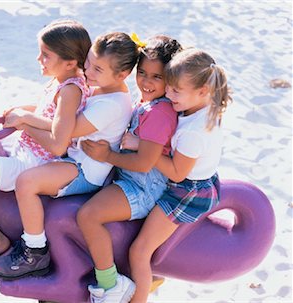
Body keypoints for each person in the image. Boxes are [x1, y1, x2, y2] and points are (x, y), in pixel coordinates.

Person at [0, 19, 91, 281]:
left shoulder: (70, 91)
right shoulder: (62, 81)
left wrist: (24, 122)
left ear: (70, 62)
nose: (39, 59)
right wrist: (20, 111)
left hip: (32, 164)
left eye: (46, 55)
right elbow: (50, 114)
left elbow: (59, 142)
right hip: (25, 153)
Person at [0, 32, 140, 280]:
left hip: (85, 170)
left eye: (98, 69)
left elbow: (64, 129)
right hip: (73, 156)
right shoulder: (100, 86)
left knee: (26, 182)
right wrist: (22, 110)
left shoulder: (111, 104)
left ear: (122, 76)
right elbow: (59, 116)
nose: (88, 71)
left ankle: (34, 251)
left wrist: (25, 120)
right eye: (88, 63)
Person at [76, 34, 183, 302]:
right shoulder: (147, 101)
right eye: (142, 73)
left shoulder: (160, 113)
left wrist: (107, 155)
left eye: (156, 77)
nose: (146, 82)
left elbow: (145, 162)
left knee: (88, 216)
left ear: (170, 78)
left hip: (142, 188)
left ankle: (110, 285)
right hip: (129, 179)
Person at [128, 48, 232, 303]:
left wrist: (139, 144)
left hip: (187, 191)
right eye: (169, 86)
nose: (169, 94)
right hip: (196, 179)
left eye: (176, 91)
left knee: (139, 250)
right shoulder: (200, 105)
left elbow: (177, 170)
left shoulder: (194, 132)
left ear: (202, 91)